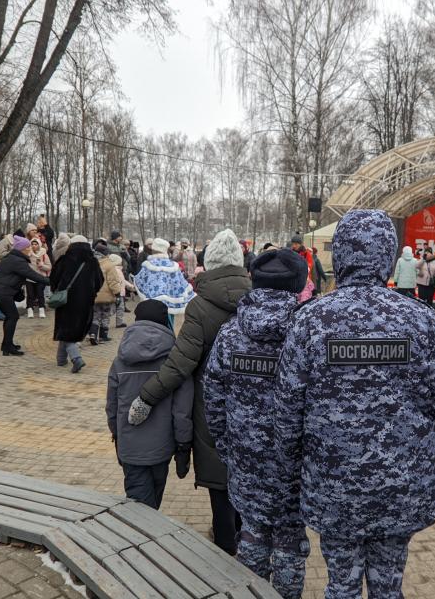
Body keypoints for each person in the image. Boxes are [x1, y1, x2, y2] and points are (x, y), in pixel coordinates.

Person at [272, 210, 435, 599]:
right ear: (387, 256)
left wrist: (294, 466)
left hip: (332, 483)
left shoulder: (311, 320)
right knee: (389, 584)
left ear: (339, 256)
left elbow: (288, 407)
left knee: (341, 584)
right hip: (402, 482)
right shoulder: (420, 319)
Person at [129, 228, 251, 555]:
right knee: (244, 473)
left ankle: (225, 543)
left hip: (210, 406)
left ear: (209, 264)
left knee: (218, 477)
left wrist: (147, 395)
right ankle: (244, 537)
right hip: (253, 406)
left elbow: (181, 362)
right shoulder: (257, 300)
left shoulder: (201, 306)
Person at [204, 249, 310, 598]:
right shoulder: (306, 333)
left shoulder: (231, 333)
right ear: (297, 284)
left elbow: (213, 395)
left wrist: (226, 445)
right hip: (295, 464)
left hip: (245, 457)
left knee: (251, 535)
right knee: (290, 543)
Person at [107, 300, 194, 509]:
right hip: (161, 446)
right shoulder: (174, 362)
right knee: (151, 504)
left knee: (139, 504)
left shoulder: (120, 361)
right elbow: (182, 410)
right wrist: (183, 445)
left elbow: (111, 406)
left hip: (130, 445)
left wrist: (117, 435)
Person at [0, 236, 50, 356]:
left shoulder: (15, 259)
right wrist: (52, 282)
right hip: (1, 292)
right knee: (13, 316)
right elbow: (33, 275)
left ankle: (6, 345)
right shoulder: (17, 261)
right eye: (28, 247)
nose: (30, 248)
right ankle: (8, 347)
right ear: (23, 249)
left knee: (11, 317)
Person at [51, 235, 102, 373]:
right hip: (86, 301)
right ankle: (61, 359)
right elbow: (99, 281)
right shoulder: (93, 261)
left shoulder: (64, 260)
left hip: (66, 301)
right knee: (69, 329)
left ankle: (76, 358)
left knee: (66, 329)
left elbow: (54, 279)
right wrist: (91, 292)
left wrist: (57, 290)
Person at [133, 238, 195, 328]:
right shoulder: (174, 266)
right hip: (170, 304)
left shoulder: (148, 265)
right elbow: (182, 285)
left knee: (153, 326)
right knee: (168, 325)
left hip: (152, 303)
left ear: (154, 249)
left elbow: (139, 281)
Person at [89, 242, 121, 346]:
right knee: (105, 315)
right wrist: (117, 294)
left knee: (95, 315)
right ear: (105, 253)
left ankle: (93, 334)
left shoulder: (90, 263)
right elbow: (113, 282)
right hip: (106, 296)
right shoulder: (109, 265)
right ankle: (103, 335)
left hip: (93, 295)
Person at [26, 237, 51, 319]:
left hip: (40, 278)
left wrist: (41, 265)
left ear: (39, 245)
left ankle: (41, 310)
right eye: (32, 244)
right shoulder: (28, 254)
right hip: (29, 278)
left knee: (40, 294)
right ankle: (30, 310)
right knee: (30, 295)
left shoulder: (44, 254)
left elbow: (49, 267)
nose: (34, 246)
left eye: (35, 244)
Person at [109, 253, 135, 328]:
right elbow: (122, 281)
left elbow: (122, 281)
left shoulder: (117, 270)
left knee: (119, 308)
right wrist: (131, 286)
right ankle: (118, 322)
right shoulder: (117, 270)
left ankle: (119, 322)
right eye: (119, 261)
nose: (121, 262)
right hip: (118, 292)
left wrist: (130, 286)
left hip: (120, 292)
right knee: (115, 309)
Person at [289, 234, 314, 302]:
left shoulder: (306, 254)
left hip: (305, 280)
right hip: (293, 280)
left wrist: (301, 269)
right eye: (293, 244)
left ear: (300, 244)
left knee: (304, 297)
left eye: (296, 244)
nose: (294, 246)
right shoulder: (290, 253)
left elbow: (309, 265)